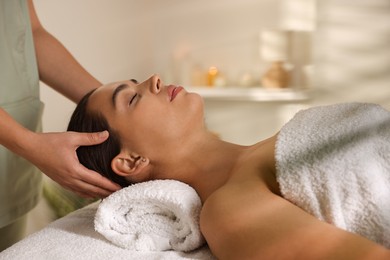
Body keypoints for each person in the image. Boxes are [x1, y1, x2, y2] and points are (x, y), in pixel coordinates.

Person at [67, 74, 390, 259]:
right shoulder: (228, 210)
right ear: (132, 161)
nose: (154, 79)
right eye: (132, 98)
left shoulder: (273, 144)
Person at [0, 0, 120, 250]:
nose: (156, 80)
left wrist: (114, 103)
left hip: (10, 170)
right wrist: (28, 143)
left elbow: (29, 32)